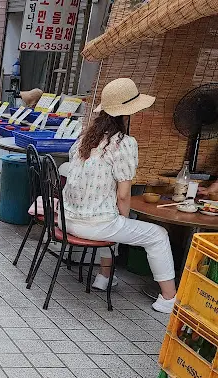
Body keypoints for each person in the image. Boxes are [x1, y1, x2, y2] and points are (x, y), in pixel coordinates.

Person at [62, 77, 176, 314]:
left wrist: (119, 223)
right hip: (94, 225)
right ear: (128, 113)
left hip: (67, 220)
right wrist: (123, 222)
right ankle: (168, 298)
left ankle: (104, 277)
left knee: (111, 218)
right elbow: (124, 196)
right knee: (157, 235)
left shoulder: (85, 138)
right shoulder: (124, 143)